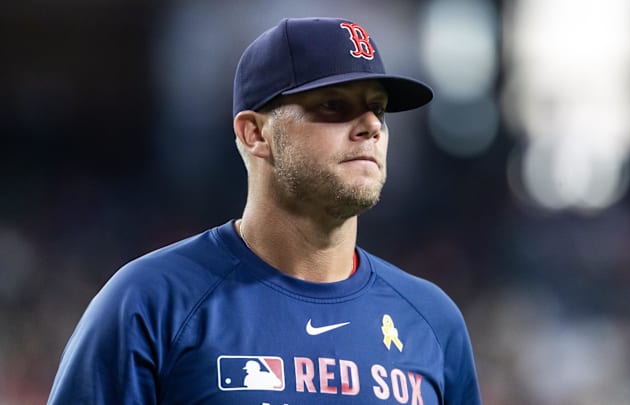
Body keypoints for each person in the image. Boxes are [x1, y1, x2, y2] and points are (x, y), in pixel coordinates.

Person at [48, 17, 482, 404]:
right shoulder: (152, 304)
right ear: (255, 133)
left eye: (378, 109)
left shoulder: (432, 321)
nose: (370, 126)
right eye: (333, 106)